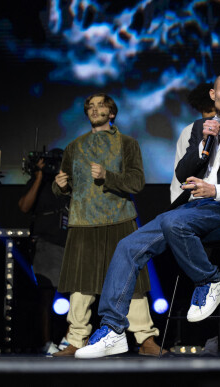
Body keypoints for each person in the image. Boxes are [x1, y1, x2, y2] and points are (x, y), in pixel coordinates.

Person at [75, 71, 220, 359]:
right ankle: (113, 329)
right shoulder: (199, 128)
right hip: (194, 209)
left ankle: (209, 280)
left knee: (172, 221)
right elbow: (183, 173)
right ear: (213, 94)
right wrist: (203, 142)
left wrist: (214, 190)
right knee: (127, 246)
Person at [51, 93, 164, 357]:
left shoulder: (127, 144)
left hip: (119, 219)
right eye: (90, 106)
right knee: (82, 284)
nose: (95, 109)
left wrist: (107, 176)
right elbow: (64, 187)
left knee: (130, 281)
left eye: (101, 105)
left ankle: (145, 339)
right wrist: (59, 187)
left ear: (111, 113)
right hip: (83, 221)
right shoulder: (74, 147)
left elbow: (137, 182)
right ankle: (76, 339)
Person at [18, 151, 69, 354]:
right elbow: (24, 207)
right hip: (46, 243)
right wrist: (39, 176)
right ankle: (47, 342)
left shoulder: (70, 182)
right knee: (46, 294)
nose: (54, 167)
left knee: (78, 295)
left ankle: (69, 338)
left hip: (70, 243)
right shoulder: (38, 181)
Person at [171, 82, 216, 204]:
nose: (211, 119)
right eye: (208, 112)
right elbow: (179, 174)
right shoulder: (190, 131)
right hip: (195, 202)